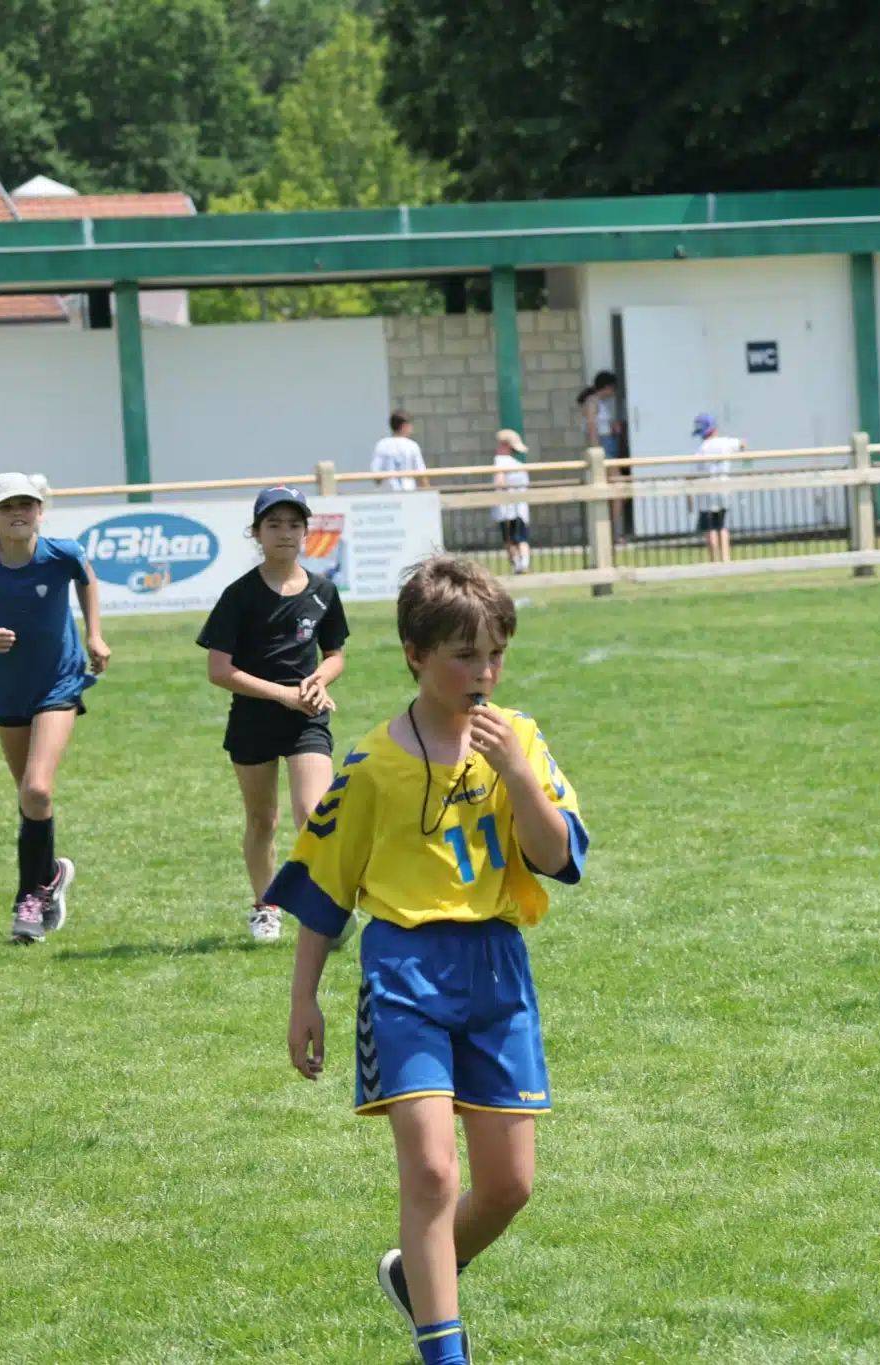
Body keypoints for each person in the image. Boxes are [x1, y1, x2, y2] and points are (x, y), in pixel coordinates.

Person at [271, 557, 588, 1365]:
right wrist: (304, 997)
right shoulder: (374, 762)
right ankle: (446, 1354)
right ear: (414, 653)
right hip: (404, 974)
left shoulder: (519, 740)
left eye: (495, 654)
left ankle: (416, 1277)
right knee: (433, 1172)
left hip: (496, 970)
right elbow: (324, 887)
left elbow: (557, 857)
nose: (483, 673)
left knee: (509, 1184)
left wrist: (516, 773)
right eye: (463, 655)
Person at [197, 486, 350, 943]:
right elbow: (219, 671)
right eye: (274, 524)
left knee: (315, 814)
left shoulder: (323, 591)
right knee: (263, 820)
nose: (285, 533)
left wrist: (319, 680)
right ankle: (265, 906)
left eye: (294, 524)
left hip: (306, 718)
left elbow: (336, 655)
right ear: (257, 532)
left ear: (306, 532)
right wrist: (282, 695)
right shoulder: (239, 595)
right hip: (253, 720)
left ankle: (325, 906)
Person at [0, 473, 106, 945]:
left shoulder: (63, 553)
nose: (18, 512)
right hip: (6, 688)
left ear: (40, 511)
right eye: (6, 506)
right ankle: (51, 872)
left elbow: (87, 580)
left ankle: (28, 901)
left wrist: (95, 635)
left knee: (37, 789)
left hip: (58, 683)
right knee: (29, 800)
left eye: (26, 504)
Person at [579, 371, 629, 540]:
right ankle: (611, 532)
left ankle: (611, 530)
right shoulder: (592, 402)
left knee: (617, 489)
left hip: (609, 443)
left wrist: (613, 428)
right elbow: (591, 426)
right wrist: (597, 452)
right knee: (619, 487)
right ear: (608, 387)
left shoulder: (601, 402)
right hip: (603, 447)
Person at [692, 412, 743, 565]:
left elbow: (692, 473)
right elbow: (742, 444)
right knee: (722, 526)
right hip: (723, 490)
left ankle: (714, 560)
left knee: (710, 528)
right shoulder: (725, 443)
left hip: (707, 493)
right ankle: (726, 559)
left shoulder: (701, 449)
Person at [490, 430, 531, 574]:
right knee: (522, 539)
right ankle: (524, 563)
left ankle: (518, 566)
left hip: (506, 510)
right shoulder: (519, 465)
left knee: (509, 540)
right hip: (520, 508)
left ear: (506, 446)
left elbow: (499, 482)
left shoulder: (500, 461)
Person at [372, 412, 428, 492]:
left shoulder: (382, 445)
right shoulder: (412, 445)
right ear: (404, 426)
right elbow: (422, 474)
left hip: (387, 492)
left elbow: (376, 473)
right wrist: (427, 491)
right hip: (408, 491)